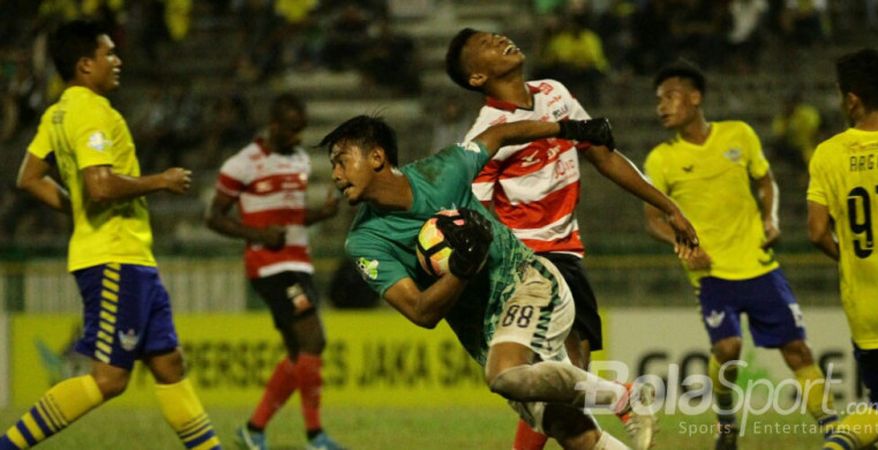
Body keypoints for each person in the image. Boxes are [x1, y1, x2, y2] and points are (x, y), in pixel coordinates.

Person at [323, 114, 698, 450]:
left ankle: (625, 397)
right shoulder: (365, 242)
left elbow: (499, 134)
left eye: (341, 161)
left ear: (376, 157)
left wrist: (571, 129)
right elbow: (421, 313)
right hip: (486, 335)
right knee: (572, 432)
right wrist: (462, 270)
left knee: (504, 375)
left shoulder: (442, 171)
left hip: (527, 283)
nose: (336, 176)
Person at [445, 28, 698, 450]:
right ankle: (627, 399)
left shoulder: (554, 94)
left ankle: (624, 402)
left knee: (565, 382)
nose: (501, 40)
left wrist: (668, 206)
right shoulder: (487, 135)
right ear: (477, 77)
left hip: (567, 255)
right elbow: (476, 217)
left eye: (497, 34)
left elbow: (601, 154)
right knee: (555, 379)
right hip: (530, 263)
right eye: (488, 45)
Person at [1, 20, 221, 450]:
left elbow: (28, 176)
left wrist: (74, 206)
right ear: (85, 65)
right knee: (109, 379)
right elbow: (100, 186)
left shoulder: (58, 112)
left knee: (169, 365)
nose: (118, 61)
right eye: (109, 54)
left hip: (130, 256)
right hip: (115, 258)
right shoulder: (92, 112)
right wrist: (160, 180)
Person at [642, 60, 837, 450]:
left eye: (671, 96)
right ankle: (727, 420)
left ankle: (835, 429)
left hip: (758, 264)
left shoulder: (739, 135)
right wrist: (685, 246)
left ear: (695, 98)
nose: (661, 106)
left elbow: (766, 181)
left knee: (797, 349)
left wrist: (771, 218)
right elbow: (653, 221)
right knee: (728, 349)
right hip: (710, 272)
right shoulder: (660, 159)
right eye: (658, 100)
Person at [205, 93, 345, 450]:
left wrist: (321, 214)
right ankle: (315, 437)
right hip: (268, 265)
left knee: (300, 353)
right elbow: (214, 217)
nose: (299, 139)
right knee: (314, 339)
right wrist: (258, 235)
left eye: (302, 130)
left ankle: (254, 430)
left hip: (299, 260)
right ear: (274, 125)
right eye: (293, 131)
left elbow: (291, 215)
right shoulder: (242, 164)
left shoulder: (298, 159)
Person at [807, 48, 878, 450]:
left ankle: (839, 443)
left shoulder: (828, 154)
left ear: (851, 99)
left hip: (867, 311)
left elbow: (816, 231)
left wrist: (851, 258)